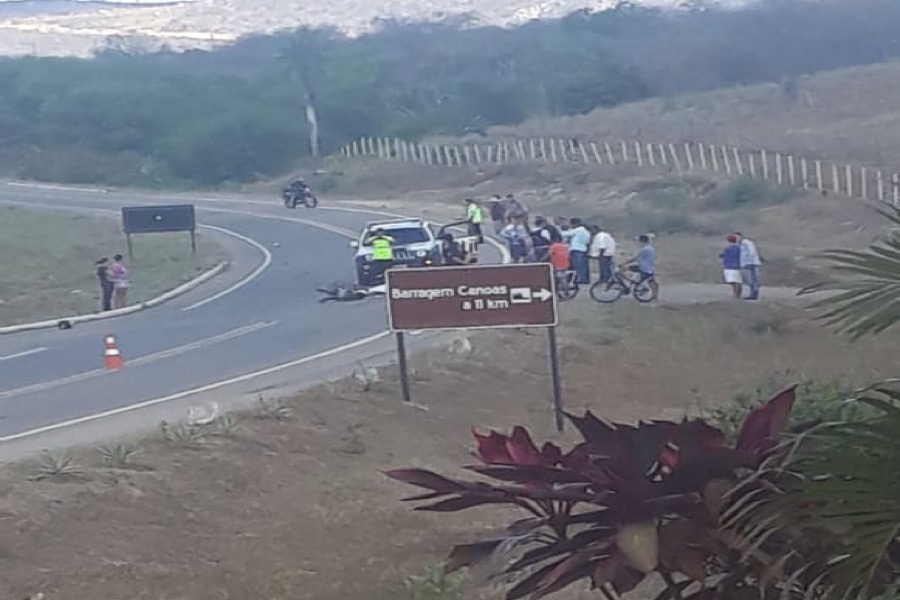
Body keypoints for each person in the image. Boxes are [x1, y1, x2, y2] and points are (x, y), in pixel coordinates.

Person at [622, 234, 659, 299]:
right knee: (651, 281)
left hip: (643, 268)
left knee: (623, 270)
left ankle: (630, 284)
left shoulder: (644, 249)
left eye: (639, 241)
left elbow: (635, 258)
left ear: (642, 241)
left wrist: (623, 263)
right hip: (650, 268)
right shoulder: (651, 248)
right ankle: (655, 295)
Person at [562, 217, 592, 284]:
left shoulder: (578, 230)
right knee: (583, 266)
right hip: (583, 249)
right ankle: (584, 279)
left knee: (577, 266)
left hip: (576, 249)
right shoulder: (586, 231)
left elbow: (566, 234)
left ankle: (580, 279)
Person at [735, 231, 762, 300]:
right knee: (752, 279)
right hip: (748, 263)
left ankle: (754, 294)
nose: (736, 239)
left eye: (736, 237)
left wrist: (749, 261)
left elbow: (751, 252)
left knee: (753, 279)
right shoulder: (741, 244)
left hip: (750, 263)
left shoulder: (746, 243)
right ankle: (753, 294)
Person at [720, 234, 743, 299]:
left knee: (733, 282)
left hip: (729, 266)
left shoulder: (728, 248)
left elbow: (722, 256)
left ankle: (736, 294)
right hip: (736, 266)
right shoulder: (738, 248)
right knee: (737, 281)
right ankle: (737, 294)